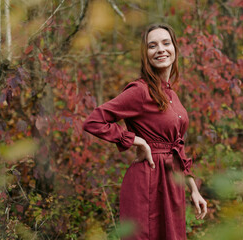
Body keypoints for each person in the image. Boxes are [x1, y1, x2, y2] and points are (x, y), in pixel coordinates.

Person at [83, 23, 207, 240]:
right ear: (146, 54)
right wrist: (135, 140)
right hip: (148, 179)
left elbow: (178, 146)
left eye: (166, 43)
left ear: (174, 49)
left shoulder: (172, 96)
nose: (160, 49)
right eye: (152, 45)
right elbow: (94, 121)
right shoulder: (140, 91)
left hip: (171, 184)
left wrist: (193, 189)